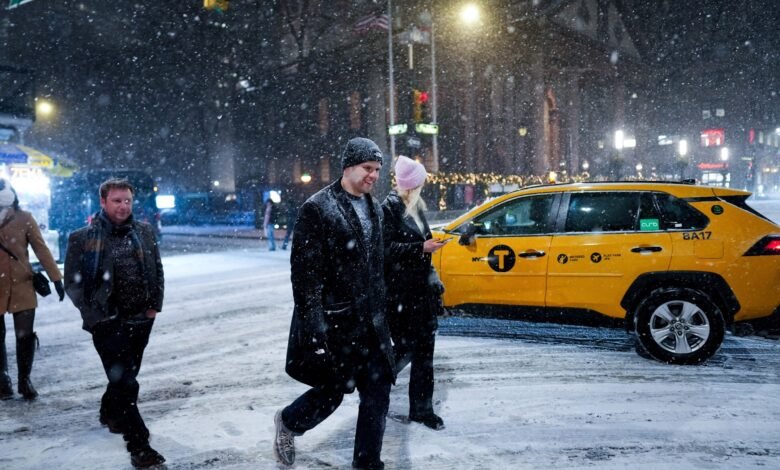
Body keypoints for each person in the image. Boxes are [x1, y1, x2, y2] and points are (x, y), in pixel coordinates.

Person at [274, 137, 396, 470]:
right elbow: (305, 278)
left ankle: (367, 463)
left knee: (377, 392)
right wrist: (314, 329)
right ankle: (288, 422)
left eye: (377, 170)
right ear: (348, 167)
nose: (373, 176)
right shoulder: (317, 208)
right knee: (333, 393)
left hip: (371, 323)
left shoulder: (375, 206)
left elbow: (377, 266)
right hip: (337, 323)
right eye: (367, 169)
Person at [64, 178, 165, 468]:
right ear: (103, 202)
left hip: (140, 319)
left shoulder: (144, 232)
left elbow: (156, 270)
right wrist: (95, 318)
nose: (123, 206)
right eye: (117, 200)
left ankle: (110, 411)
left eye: (127, 201)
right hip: (107, 322)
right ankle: (140, 445)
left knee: (124, 376)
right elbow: (74, 282)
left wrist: (153, 307)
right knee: (126, 382)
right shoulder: (82, 238)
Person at [381, 156, 447, 430]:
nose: (423, 186)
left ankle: (422, 411)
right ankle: (374, 386)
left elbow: (419, 245)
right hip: (401, 297)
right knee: (407, 349)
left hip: (421, 296)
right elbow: (383, 251)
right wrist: (421, 248)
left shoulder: (416, 208)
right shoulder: (389, 209)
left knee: (425, 356)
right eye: (420, 182)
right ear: (411, 184)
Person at [0, 180, 64, 401]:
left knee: (25, 335)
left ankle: (24, 380)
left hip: (23, 284)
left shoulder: (24, 217)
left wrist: (56, 278)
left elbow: (41, 249)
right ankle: (2, 379)